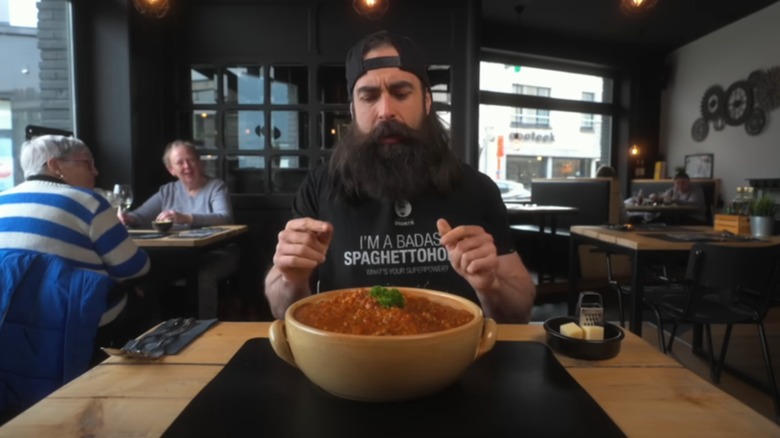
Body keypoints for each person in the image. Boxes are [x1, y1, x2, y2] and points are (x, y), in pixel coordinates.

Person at [264, 30, 536, 323]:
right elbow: (281, 310)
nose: (385, 112)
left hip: (452, 358)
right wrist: (292, 278)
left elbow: (520, 309)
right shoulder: (319, 186)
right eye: (369, 97)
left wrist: (491, 284)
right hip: (347, 360)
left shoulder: (477, 188)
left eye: (401, 93)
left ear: (427, 101)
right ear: (353, 109)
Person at [0, 135, 151, 348]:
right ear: (54, 165)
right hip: (77, 326)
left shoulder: (2, 201)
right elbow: (135, 269)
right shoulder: (87, 202)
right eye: (87, 163)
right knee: (145, 296)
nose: (96, 172)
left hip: (10, 324)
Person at [118, 140, 238, 319]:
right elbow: (140, 216)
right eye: (180, 162)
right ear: (171, 170)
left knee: (201, 277)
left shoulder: (216, 187)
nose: (187, 166)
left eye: (191, 160)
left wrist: (185, 217)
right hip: (178, 257)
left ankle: (205, 328)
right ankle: (157, 330)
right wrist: (126, 218)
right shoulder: (167, 191)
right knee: (147, 275)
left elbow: (225, 218)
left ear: (200, 162)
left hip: (218, 254)